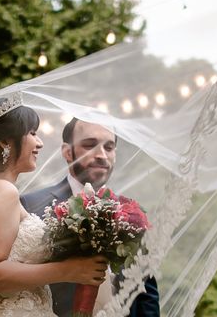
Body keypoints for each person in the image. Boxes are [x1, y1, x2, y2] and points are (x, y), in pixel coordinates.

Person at [0, 94, 108, 316]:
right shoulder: (1, 191)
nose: (40, 143)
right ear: (5, 141)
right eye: (32, 133)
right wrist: (70, 270)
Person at [21, 117, 160, 317]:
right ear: (67, 152)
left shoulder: (134, 215)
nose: (102, 155)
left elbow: (146, 292)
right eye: (89, 145)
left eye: (109, 147)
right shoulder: (31, 206)